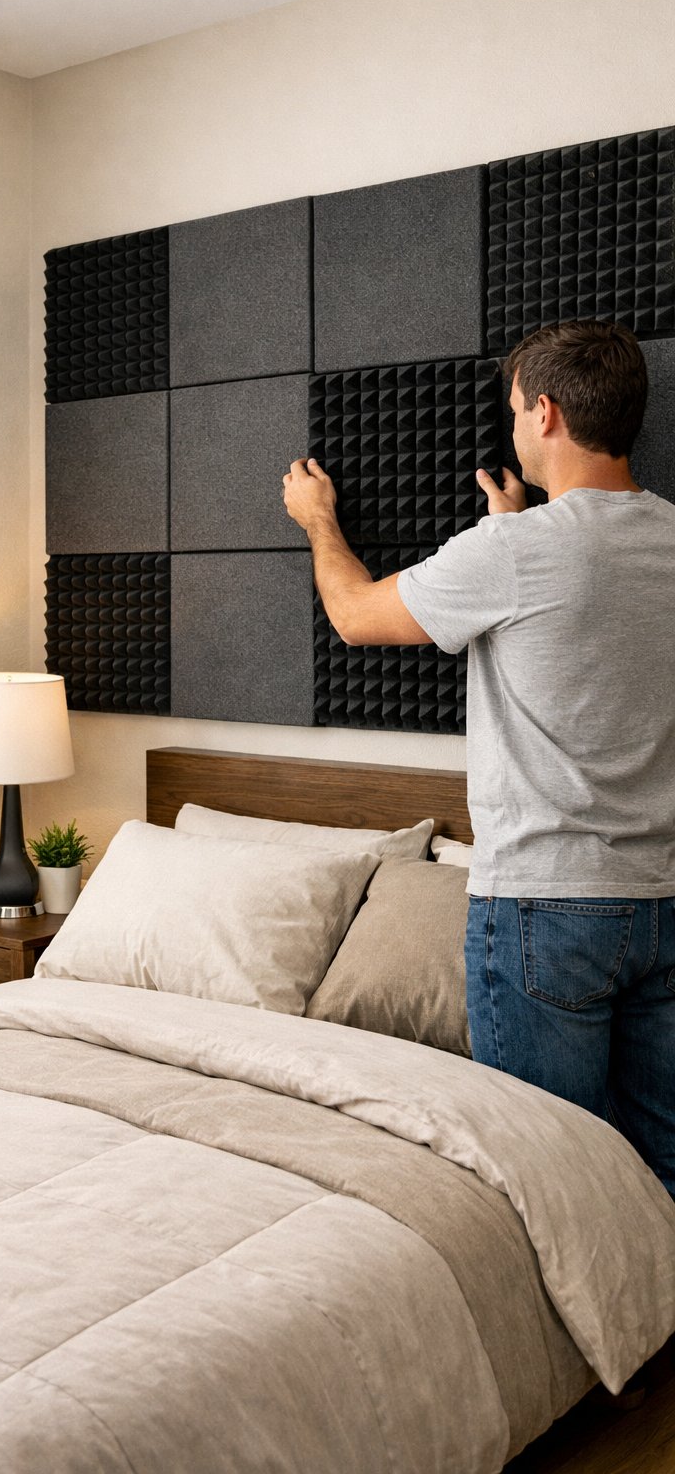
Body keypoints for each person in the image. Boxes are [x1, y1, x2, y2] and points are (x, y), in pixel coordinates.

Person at [282, 319, 675, 1201]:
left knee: (541, 1170)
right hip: (664, 897)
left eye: (512, 409)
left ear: (544, 412)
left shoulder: (516, 552)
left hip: (547, 908)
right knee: (662, 1166)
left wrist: (318, 521)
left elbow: (355, 615)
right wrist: (514, 530)